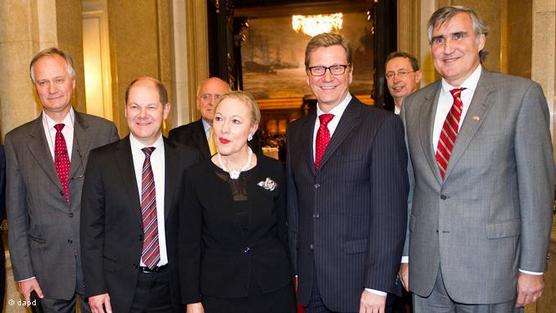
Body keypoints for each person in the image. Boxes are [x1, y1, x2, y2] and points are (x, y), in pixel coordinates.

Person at [399, 6, 555, 313]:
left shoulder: (520, 96)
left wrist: (532, 268)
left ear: (480, 40)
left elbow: (536, 190)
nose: (447, 48)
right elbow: (409, 189)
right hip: (427, 270)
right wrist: (406, 257)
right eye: (438, 39)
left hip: (492, 268)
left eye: (458, 36)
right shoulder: (414, 105)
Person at [286, 32, 409, 313]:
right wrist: (296, 271)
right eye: (318, 68)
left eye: (336, 67)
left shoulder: (381, 126)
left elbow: (390, 213)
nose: (327, 76)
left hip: (361, 287)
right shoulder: (296, 132)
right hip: (311, 284)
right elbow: (295, 209)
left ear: (350, 72)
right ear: (307, 75)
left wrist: (377, 286)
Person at [5, 47, 119, 313]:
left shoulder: (103, 132)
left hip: (98, 271)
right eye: (43, 82)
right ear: (35, 88)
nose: (52, 88)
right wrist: (24, 273)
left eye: (58, 80)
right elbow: (17, 213)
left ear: (73, 83)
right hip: (45, 273)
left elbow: (117, 207)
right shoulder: (17, 141)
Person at [80, 77, 200, 313]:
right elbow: (90, 232)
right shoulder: (101, 161)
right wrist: (96, 288)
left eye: (151, 107)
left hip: (174, 288)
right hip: (118, 290)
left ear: (165, 110)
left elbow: (196, 232)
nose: (142, 114)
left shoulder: (189, 160)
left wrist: (195, 294)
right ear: (125, 110)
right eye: (134, 106)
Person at [179, 91, 295, 313]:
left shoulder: (275, 171)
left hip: (274, 290)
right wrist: (192, 300)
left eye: (235, 121)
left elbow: (284, 233)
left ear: (252, 129)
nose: (224, 129)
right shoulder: (195, 177)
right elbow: (188, 245)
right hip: (219, 293)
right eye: (219, 118)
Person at [169, 77, 262, 158]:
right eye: (206, 97)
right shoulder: (178, 136)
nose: (212, 102)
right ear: (197, 103)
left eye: (218, 97)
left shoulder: (247, 135)